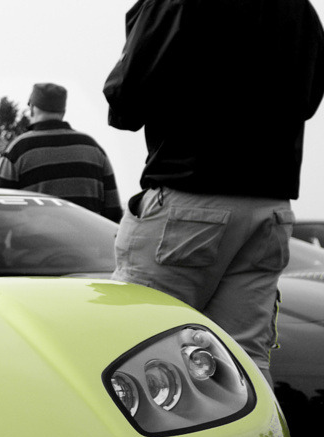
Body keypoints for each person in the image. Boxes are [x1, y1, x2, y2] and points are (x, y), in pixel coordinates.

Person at [104, 0, 324, 384]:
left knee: (134, 353)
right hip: (269, 206)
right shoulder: (300, 9)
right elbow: (306, 100)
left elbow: (127, 100)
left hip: (190, 198)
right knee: (244, 366)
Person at [0, 83, 123, 222]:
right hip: (90, 236)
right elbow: (113, 214)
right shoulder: (94, 149)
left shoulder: (17, 150)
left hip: (36, 236)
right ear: (63, 111)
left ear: (32, 108)